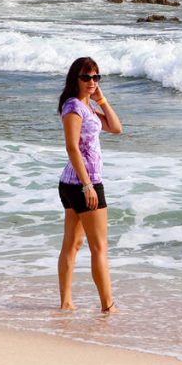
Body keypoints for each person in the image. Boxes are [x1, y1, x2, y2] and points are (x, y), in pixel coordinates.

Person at [57, 56, 122, 313]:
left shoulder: (85, 106)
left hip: (72, 183)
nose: (92, 82)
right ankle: (108, 306)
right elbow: (72, 147)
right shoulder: (73, 107)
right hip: (84, 184)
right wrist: (87, 185)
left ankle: (66, 303)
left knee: (73, 244)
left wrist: (101, 99)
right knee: (99, 247)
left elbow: (116, 128)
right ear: (75, 79)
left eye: (96, 77)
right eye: (86, 77)